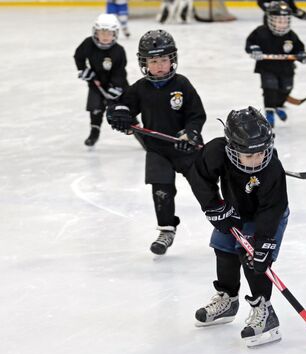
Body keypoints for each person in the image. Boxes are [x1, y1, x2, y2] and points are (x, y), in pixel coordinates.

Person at [188, 106, 289, 347]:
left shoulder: (272, 168)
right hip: (235, 211)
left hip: (267, 217)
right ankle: (228, 299)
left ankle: (265, 312)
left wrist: (264, 241)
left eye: (261, 153)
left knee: (252, 258)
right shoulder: (216, 151)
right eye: (249, 155)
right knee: (223, 249)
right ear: (232, 148)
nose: (257, 159)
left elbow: (273, 208)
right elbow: (199, 176)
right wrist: (214, 207)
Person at [107, 30, 207, 255]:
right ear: (144, 63)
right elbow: (121, 106)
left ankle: (226, 224)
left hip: (185, 147)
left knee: (204, 186)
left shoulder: (182, 84)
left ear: (173, 59)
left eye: (164, 59)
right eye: (154, 61)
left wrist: (190, 134)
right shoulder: (140, 88)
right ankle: (166, 229)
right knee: (161, 189)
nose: (160, 65)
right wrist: (119, 115)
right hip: (157, 149)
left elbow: (196, 115)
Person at [245, 1, 306, 126]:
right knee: (270, 88)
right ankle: (269, 111)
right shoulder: (261, 32)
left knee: (286, 88)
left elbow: (299, 49)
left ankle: (277, 106)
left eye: (285, 20)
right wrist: (254, 49)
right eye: (278, 20)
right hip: (267, 68)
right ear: (270, 19)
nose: (282, 24)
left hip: (286, 68)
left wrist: (302, 55)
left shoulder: (291, 35)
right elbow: (250, 43)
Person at [74, 13, 128, 147]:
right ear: (95, 32)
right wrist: (83, 69)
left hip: (116, 87)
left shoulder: (119, 51)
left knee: (125, 110)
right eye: (102, 32)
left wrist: (116, 86)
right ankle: (94, 131)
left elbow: (120, 71)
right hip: (96, 83)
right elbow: (78, 56)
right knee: (95, 109)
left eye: (109, 33)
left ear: (115, 34)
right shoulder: (88, 43)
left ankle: (140, 135)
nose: (105, 36)